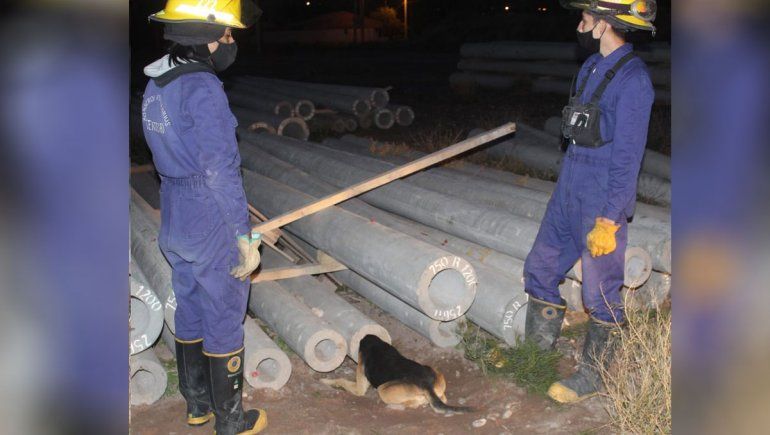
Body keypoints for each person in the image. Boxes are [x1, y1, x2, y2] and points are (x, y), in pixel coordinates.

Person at [140, 1, 266, 433]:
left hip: (174, 208)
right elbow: (220, 169)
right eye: (228, 35)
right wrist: (244, 236)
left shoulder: (157, 81)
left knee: (190, 305)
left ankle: (197, 405)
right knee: (226, 311)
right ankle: (231, 422)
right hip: (207, 211)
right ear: (205, 34)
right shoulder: (203, 87)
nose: (231, 43)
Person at [522, 0, 657, 404]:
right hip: (570, 186)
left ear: (604, 23)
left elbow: (628, 158)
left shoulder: (634, 81)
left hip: (602, 196)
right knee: (541, 267)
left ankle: (595, 375)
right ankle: (536, 355)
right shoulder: (589, 68)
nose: (580, 24)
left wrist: (610, 218)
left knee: (599, 293)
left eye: (585, 17)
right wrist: (564, 190)